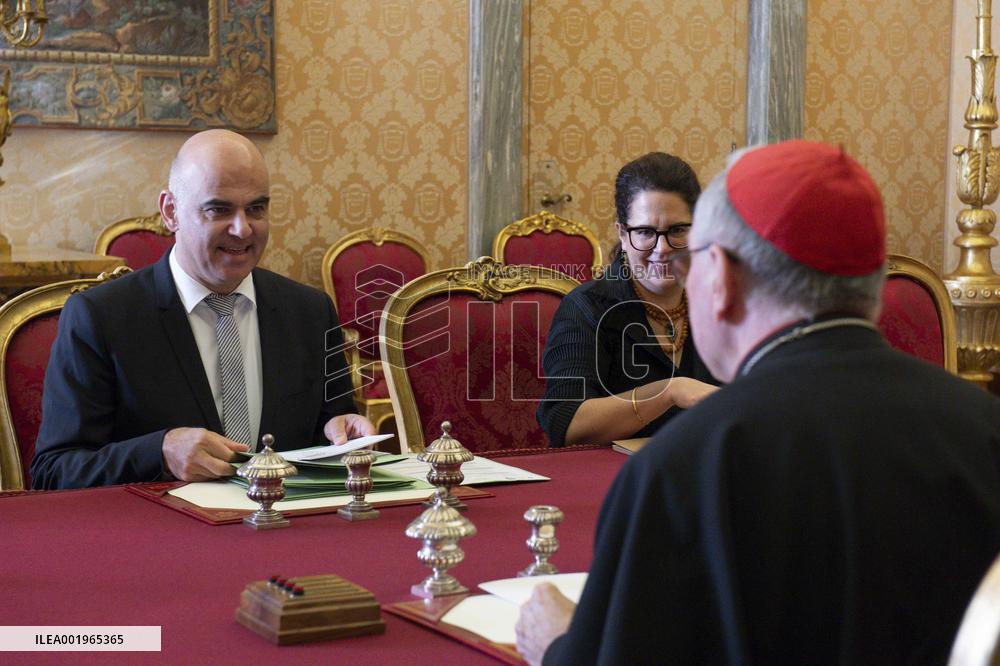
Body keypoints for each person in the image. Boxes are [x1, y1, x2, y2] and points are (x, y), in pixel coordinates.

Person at [516, 141, 1000, 664]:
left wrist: (559, 646)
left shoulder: (685, 467)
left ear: (719, 277)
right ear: (876, 282)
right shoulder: (984, 427)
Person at [32, 130, 374, 489]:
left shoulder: (310, 312)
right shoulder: (101, 317)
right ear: (171, 212)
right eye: (219, 209)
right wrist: (159, 452)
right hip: (160, 538)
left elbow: (332, 426)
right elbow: (54, 471)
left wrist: (343, 432)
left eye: (256, 208)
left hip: (286, 534)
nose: (243, 229)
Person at [537, 152, 718, 448]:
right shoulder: (586, 308)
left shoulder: (722, 303)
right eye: (645, 232)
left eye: (678, 230)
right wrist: (669, 391)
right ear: (622, 234)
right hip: (612, 483)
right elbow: (564, 423)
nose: (662, 248)